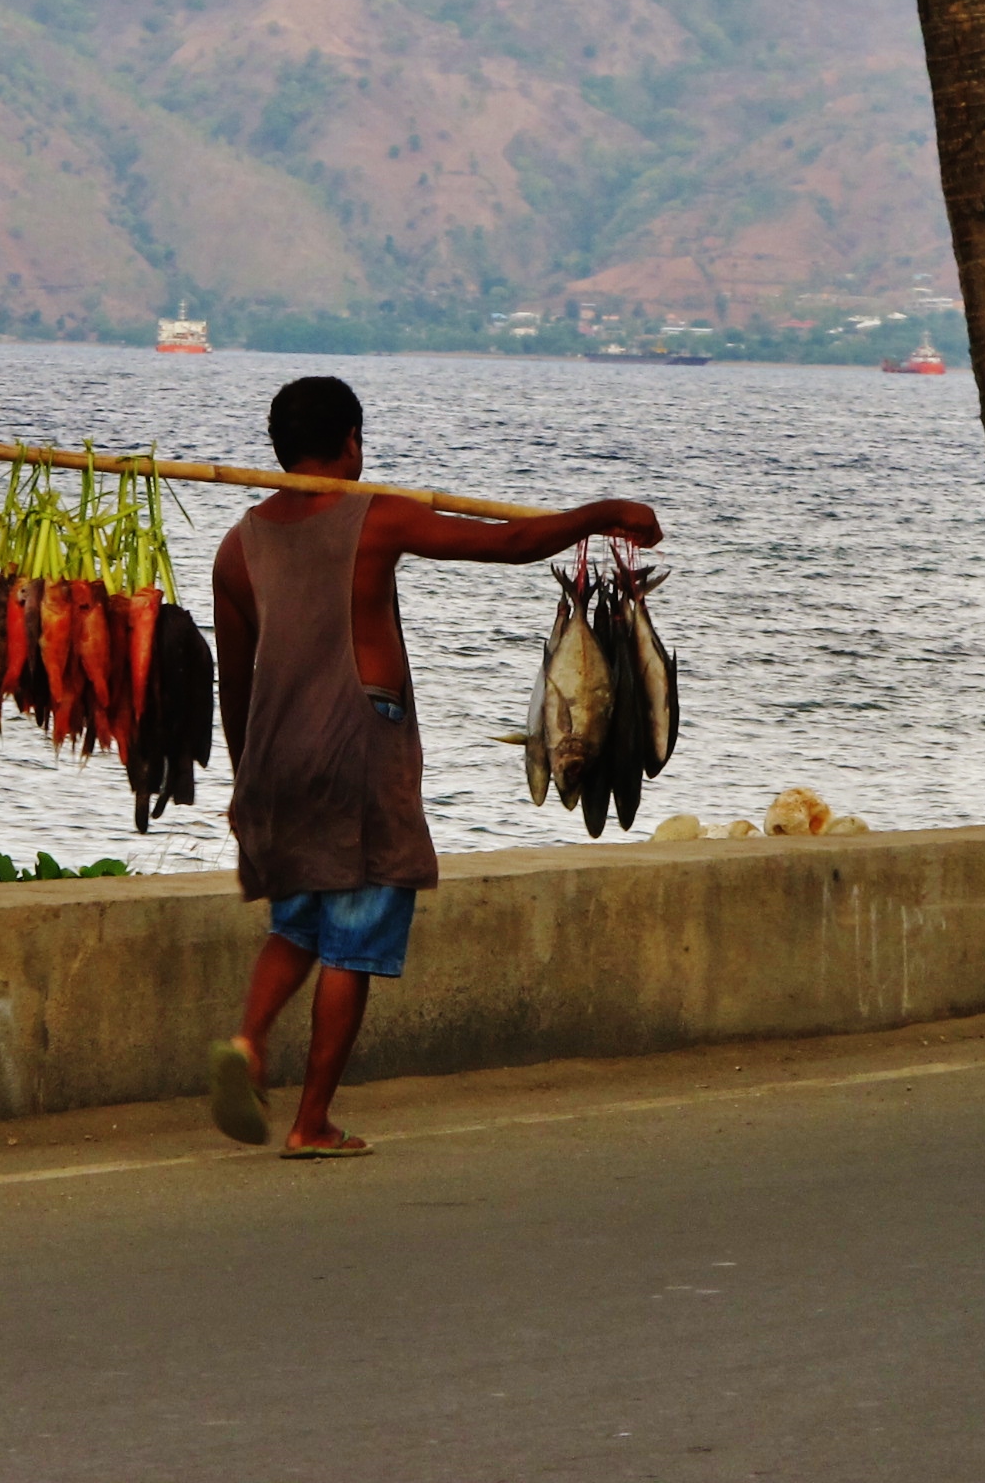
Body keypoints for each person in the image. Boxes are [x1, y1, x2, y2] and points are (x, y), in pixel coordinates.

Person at [205, 375, 661, 1156]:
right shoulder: (374, 517)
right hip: (360, 739)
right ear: (350, 442)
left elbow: (235, 682)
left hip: (277, 754)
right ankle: (311, 1123)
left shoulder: (235, 549)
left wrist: (246, 784)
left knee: (299, 922)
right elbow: (509, 543)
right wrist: (606, 512)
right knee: (353, 936)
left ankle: (249, 1040)